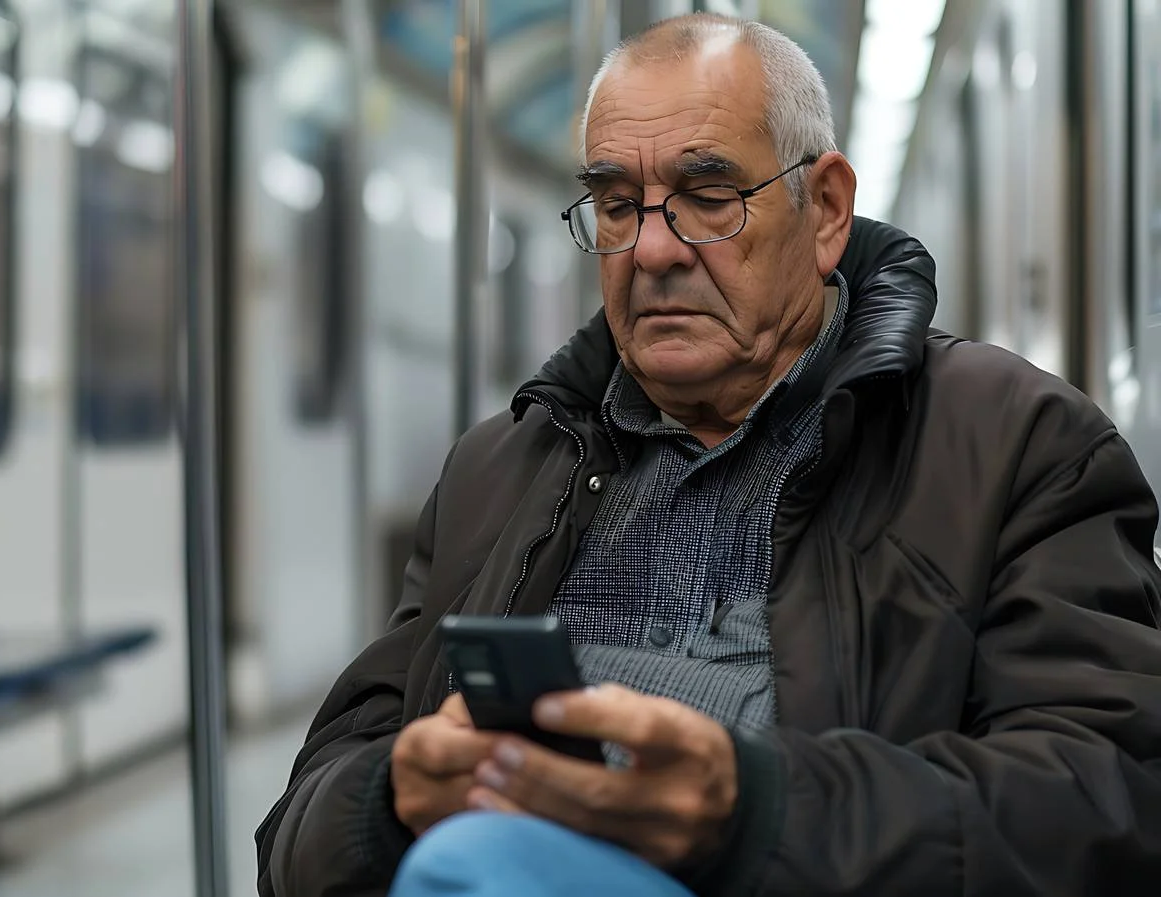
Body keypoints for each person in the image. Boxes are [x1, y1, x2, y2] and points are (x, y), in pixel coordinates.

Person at [254, 12, 1161, 897]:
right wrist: (390, 801)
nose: (652, 249)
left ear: (828, 211)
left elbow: (1109, 803)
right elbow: (296, 830)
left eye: (708, 198)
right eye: (617, 204)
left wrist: (753, 810)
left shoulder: (1016, 445)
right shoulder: (503, 470)